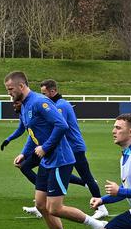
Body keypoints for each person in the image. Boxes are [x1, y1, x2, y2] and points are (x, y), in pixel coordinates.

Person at [5, 70, 106, 229]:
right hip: (47, 161)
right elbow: (32, 132)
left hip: (60, 159)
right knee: (42, 206)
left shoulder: (38, 102)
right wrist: (25, 153)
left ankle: (97, 225)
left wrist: (46, 147)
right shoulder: (26, 105)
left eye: (10, 89)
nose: (9, 93)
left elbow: (62, 125)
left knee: (55, 208)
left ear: (21, 86)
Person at [41, 79, 108, 219]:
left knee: (87, 177)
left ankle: (101, 207)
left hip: (74, 147)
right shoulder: (55, 104)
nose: (42, 97)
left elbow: (58, 126)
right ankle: (43, 204)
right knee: (50, 173)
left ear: (53, 91)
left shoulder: (61, 106)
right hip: (66, 148)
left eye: (44, 93)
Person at [1, 99, 44, 218]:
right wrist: (8, 139)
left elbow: (32, 135)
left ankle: (42, 198)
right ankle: (41, 199)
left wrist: (24, 153)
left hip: (45, 148)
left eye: (16, 103)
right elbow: (22, 129)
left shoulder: (32, 111)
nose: (14, 105)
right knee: (26, 167)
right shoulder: (22, 114)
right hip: (39, 148)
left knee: (48, 172)